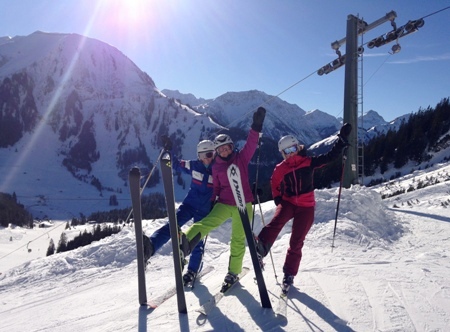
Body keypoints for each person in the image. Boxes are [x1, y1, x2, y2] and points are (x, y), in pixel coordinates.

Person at [255, 123, 352, 288]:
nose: (291, 154)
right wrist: (278, 199)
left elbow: (329, 157)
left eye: (293, 149)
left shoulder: (308, 162)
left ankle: (289, 274)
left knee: (297, 240)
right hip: (288, 202)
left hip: (306, 206)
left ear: (297, 147)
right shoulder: (280, 168)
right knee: (276, 223)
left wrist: (341, 141)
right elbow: (274, 183)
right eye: (287, 152)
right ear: (282, 154)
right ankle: (260, 249)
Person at [179, 107, 266, 287]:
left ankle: (233, 272)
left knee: (238, 239)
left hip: (244, 204)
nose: (224, 152)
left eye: (227, 148)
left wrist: (256, 127)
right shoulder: (216, 167)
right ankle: (186, 240)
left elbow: (251, 145)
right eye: (221, 149)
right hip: (225, 203)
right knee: (206, 223)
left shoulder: (240, 159)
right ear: (217, 151)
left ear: (231, 148)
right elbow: (216, 186)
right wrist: (213, 201)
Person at [143, 138, 215, 284]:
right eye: (205, 155)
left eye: (211, 154)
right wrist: (169, 151)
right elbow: (175, 164)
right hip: (189, 205)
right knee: (172, 225)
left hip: (205, 210)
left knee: (197, 240)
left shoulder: (218, 169)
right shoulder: (194, 165)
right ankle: (151, 246)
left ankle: (192, 270)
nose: (209, 158)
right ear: (199, 156)